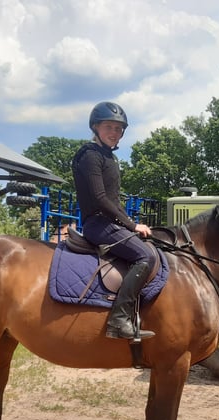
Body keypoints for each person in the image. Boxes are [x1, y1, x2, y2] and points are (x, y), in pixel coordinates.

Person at [71, 101, 158, 340]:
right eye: (108, 127)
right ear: (95, 127)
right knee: (146, 256)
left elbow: (114, 200)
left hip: (110, 223)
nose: (114, 132)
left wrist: (131, 223)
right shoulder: (90, 155)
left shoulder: (108, 157)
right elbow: (100, 198)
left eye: (118, 128)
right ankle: (118, 320)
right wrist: (131, 225)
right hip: (98, 224)